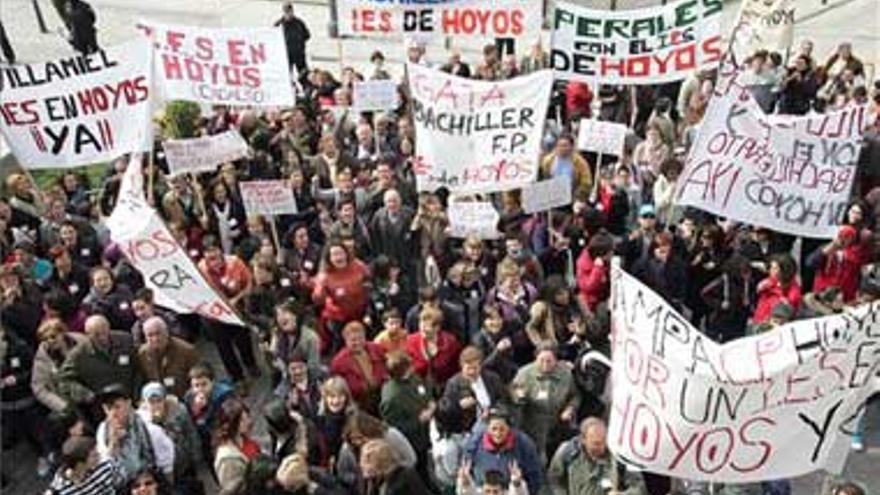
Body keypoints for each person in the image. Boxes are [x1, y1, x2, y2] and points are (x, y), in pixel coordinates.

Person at [198, 235, 261, 384]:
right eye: (210, 259)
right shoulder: (200, 270)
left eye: (216, 257)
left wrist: (237, 299)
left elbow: (249, 284)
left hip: (237, 311)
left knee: (244, 340)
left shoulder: (236, 263)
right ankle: (237, 378)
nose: (214, 263)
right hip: (215, 317)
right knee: (224, 349)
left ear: (221, 252)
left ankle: (250, 364)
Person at [511, 344, 579, 465]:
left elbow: (575, 396)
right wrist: (518, 396)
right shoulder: (524, 374)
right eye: (541, 360)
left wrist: (570, 408)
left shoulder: (566, 374)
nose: (545, 364)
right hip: (532, 426)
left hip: (556, 426)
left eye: (549, 361)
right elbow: (512, 393)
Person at [94, 383, 175, 484]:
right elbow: (104, 467)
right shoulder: (103, 430)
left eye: (117, 407)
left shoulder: (148, 427)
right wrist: (113, 444)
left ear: (128, 404)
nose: (113, 413)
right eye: (108, 408)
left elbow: (166, 464)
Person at [548, 417, 646, 495]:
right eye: (596, 443)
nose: (602, 446)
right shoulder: (567, 452)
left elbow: (640, 487)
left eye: (604, 441)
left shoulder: (620, 455)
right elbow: (554, 479)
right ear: (583, 440)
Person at [137, 382, 203, 494]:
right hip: (165, 472)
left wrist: (196, 457)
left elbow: (191, 432)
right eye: (151, 402)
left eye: (159, 401)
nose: (156, 405)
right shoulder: (141, 421)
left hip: (185, 463)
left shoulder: (179, 410)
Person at [463, 408, 542, 495]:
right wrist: (466, 482)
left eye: (502, 429)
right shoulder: (474, 443)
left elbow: (534, 477)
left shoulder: (524, 444)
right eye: (494, 429)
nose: (498, 434)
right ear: (487, 428)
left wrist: (518, 484)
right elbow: (466, 475)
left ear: (509, 428)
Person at [330, 321, 387, 414]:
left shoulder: (376, 349)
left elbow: (386, 366)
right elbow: (338, 388)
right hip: (358, 405)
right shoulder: (338, 362)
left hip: (381, 397)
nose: (357, 342)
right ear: (346, 341)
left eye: (360, 338)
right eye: (353, 340)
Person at [137, 317, 197, 400]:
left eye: (158, 333)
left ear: (166, 332)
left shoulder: (186, 351)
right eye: (150, 335)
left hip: (183, 399)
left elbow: (196, 379)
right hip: (156, 401)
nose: (155, 339)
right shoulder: (142, 353)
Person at [213, 397, 262, 494]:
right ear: (230, 424)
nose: (248, 422)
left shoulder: (243, 437)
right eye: (242, 420)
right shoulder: (227, 460)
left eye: (247, 417)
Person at [47, 436, 121, 495]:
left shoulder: (105, 466)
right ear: (80, 464)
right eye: (94, 455)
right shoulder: (60, 488)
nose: (99, 456)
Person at [360, 438, 428, 495]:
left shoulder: (402, 481)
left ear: (381, 463)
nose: (361, 465)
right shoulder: (374, 480)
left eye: (367, 462)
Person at [275, 1, 311, 78]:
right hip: (285, 54)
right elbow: (273, 39)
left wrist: (300, 43)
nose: (288, 14)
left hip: (299, 54)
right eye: (286, 11)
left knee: (303, 73)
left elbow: (307, 35)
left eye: (290, 11)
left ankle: (306, 87)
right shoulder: (279, 24)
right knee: (287, 74)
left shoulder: (299, 23)